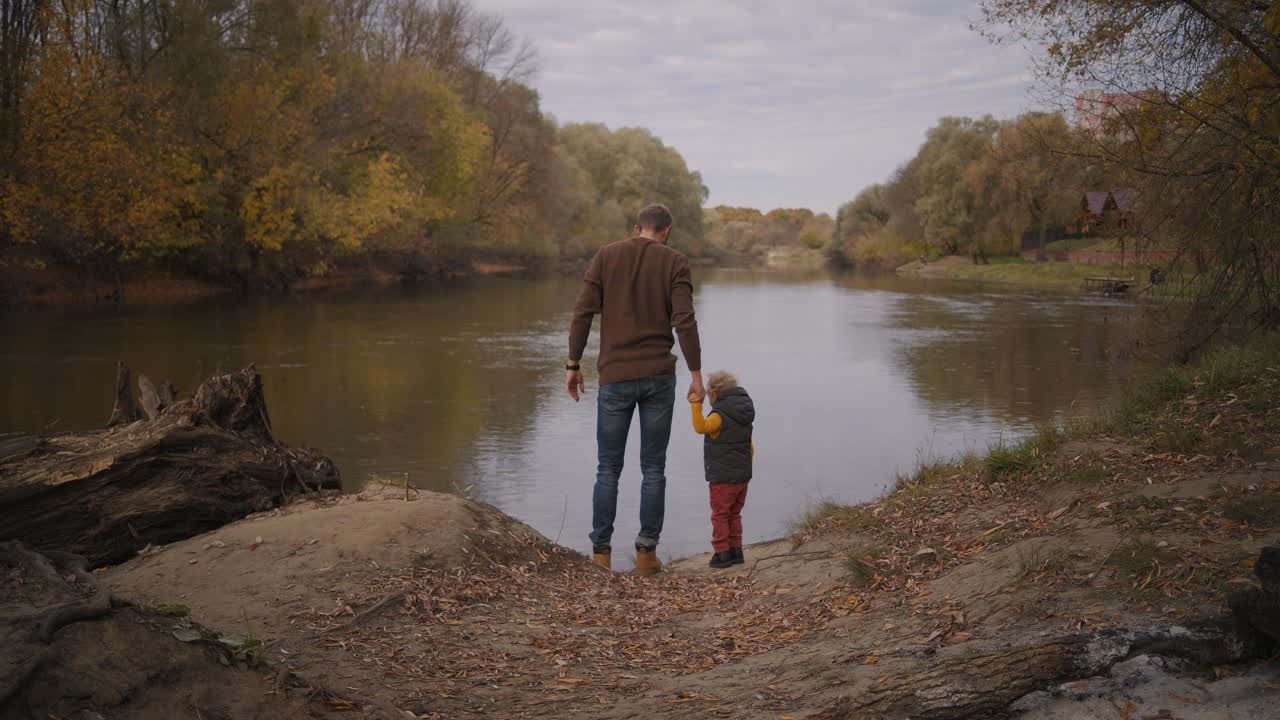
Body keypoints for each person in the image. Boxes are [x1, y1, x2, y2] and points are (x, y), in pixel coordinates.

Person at [566, 203, 704, 575]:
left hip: (615, 375)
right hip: (659, 376)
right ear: (667, 231)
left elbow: (582, 312)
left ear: (636, 228)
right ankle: (646, 555)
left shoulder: (607, 255)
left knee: (607, 468)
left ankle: (601, 557)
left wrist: (573, 365)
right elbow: (684, 321)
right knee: (653, 468)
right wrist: (696, 374)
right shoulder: (675, 261)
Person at [689, 370, 754, 569]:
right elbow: (750, 447)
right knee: (734, 514)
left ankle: (722, 553)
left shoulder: (719, 415)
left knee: (720, 515)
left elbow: (701, 427)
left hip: (723, 478)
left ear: (714, 394)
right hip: (742, 476)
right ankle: (736, 551)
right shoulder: (745, 413)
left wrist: (695, 404)